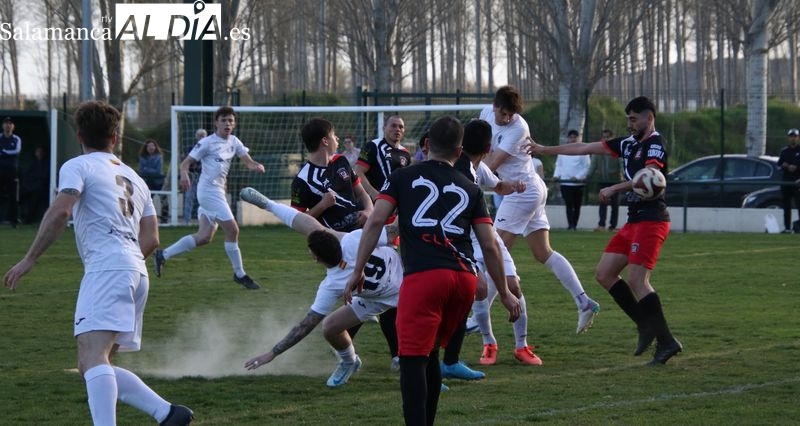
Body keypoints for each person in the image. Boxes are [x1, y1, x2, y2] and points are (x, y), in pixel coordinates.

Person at [3, 100, 193, 425]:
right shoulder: (136, 177)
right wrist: (126, 261)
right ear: (115, 138)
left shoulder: (78, 165)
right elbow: (152, 239)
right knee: (93, 363)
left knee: (93, 359)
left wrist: (29, 259)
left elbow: (62, 211)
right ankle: (167, 413)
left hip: (109, 269)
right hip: (136, 270)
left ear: (79, 135)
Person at [345, 116, 521, 425]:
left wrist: (357, 269)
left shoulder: (403, 176)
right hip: (464, 281)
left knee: (412, 360)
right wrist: (505, 293)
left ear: (426, 145)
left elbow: (375, 221)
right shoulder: (471, 186)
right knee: (430, 356)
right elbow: (490, 245)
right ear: (459, 149)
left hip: (425, 277)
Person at [529, 96, 683, 365]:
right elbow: (585, 147)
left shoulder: (655, 144)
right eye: (628, 120)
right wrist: (543, 149)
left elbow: (648, 177)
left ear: (649, 117)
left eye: (634, 119)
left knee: (638, 280)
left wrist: (615, 187)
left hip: (652, 219)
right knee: (605, 273)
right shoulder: (627, 143)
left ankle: (667, 341)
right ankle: (645, 326)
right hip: (634, 221)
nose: (630, 124)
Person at [240, 187, 401, 388]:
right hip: (378, 294)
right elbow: (395, 229)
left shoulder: (331, 285)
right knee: (331, 327)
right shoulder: (353, 239)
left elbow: (305, 326)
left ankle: (429, 375)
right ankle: (349, 362)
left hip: (401, 293)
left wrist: (272, 353)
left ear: (317, 259)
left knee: (421, 331)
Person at [480, 86, 600, 334]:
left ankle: (477, 314)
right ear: (494, 106)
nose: (505, 119)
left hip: (521, 191)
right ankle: (584, 301)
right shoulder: (485, 114)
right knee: (542, 252)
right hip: (528, 189)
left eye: (510, 115)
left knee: (494, 249)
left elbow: (491, 166)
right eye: (502, 114)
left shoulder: (518, 127)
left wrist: (468, 171)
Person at [457, 119, 542, 366]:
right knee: (480, 290)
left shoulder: (478, 167)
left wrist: (513, 186)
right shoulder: (458, 170)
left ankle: (521, 346)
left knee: (513, 286)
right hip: (464, 240)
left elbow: (498, 185)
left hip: (486, 233)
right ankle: (489, 343)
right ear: (488, 147)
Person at [154, 106, 265, 290]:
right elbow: (185, 163)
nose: (227, 124)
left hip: (218, 192)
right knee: (232, 230)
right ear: (216, 123)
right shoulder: (207, 142)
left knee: (205, 236)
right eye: (223, 120)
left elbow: (248, 161)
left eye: (230, 120)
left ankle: (163, 255)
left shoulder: (235, 142)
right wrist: (184, 174)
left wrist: (256, 166)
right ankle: (240, 274)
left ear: (234, 123)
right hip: (208, 192)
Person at [291, 118, 372, 232]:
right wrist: (323, 205)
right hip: (333, 240)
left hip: (361, 232)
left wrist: (368, 210)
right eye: (334, 135)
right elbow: (296, 222)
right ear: (325, 141)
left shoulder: (341, 161)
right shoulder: (302, 181)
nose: (337, 138)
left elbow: (362, 193)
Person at [354, 115, 411, 200]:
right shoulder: (373, 146)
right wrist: (372, 193)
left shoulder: (406, 153)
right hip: (376, 201)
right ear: (384, 128)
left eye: (401, 127)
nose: (398, 129)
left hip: (398, 201)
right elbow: (358, 172)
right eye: (393, 126)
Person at [553, 129, 590, 230]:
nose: (573, 139)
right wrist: (556, 175)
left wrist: (577, 177)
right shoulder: (562, 151)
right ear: (568, 139)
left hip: (578, 184)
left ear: (578, 138)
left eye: (575, 137)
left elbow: (586, 167)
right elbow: (559, 165)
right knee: (569, 204)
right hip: (565, 183)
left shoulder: (584, 151)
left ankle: (574, 225)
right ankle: (570, 225)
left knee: (577, 205)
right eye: (571, 137)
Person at [589, 129, 623, 232]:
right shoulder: (598, 151)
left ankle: (612, 226)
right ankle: (601, 225)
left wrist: (624, 175)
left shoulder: (617, 150)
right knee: (602, 203)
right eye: (604, 137)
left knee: (614, 204)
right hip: (602, 180)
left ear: (612, 138)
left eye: (608, 137)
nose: (606, 139)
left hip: (615, 180)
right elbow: (593, 166)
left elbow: (622, 164)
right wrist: (586, 176)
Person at [138, 139, 168, 223]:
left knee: (164, 200)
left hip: (159, 181)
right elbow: (141, 170)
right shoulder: (142, 157)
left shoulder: (159, 157)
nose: (151, 147)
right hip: (148, 182)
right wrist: (149, 170)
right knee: (146, 201)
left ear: (155, 147)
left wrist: (147, 169)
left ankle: (164, 219)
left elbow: (158, 171)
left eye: (153, 146)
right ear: (146, 147)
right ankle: (144, 219)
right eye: (149, 146)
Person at [19, 145, 50, 224]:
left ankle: (28, 219)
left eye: (40, 151)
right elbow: (27, 175)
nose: (38, 153)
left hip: (41, 188)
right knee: (18, 194)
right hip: (30, 186)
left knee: (35, 198)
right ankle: (15, 217)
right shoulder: (33, 163)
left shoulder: (47, 163)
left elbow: (44, 177)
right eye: (37, 151)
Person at [0, 116, 21, 226]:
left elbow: (16, 151)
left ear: (13, 126)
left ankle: (14, 221)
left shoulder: (16, 139)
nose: (8, 125)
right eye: (6, 123)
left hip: (11, 171)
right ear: (3, 125)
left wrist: (4, 152)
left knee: (13, 196)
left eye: (10, 123)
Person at [778, 128, 800, 233]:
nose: (793, 139)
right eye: (791, 137)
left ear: (798, 138)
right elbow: (779, 164)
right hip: (786, 182)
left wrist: (796, 167)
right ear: (788, 138)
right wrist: (785, 166)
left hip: (797, 182)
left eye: (795, 137)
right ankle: (787, 228)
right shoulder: (784, 151)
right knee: (786, 207)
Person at [183, 129, 206, 225]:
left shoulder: (208, 148)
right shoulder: (191, 148)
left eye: (202, 135)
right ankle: (186, 221)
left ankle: (204, 221)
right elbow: (186, 162)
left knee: (204, 199)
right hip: (192, 176)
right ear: (196, 137)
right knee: (189, 197)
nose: (201, 137)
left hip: (204, 177)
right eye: (199, 135)